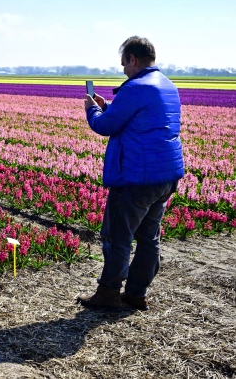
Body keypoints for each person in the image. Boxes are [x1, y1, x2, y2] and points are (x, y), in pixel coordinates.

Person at [78, 36, 184, 311]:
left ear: (133, 59)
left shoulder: (135, 87)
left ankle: (109, 293)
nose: (123, 69)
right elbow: (140, 119)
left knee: (117, 236)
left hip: (136, 176)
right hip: (165, 176)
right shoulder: (167, 86)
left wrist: (93, 110)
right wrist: (111, 106)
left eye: (124, 63)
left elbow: (105, 126)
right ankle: (137, 294)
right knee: (149, 237)